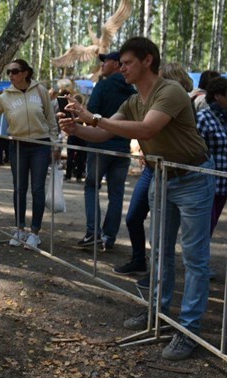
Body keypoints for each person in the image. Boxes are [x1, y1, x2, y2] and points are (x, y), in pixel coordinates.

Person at [59, 37, 215, 361]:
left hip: (193, 179)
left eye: (127, 62)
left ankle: (189, 330)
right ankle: (157, 315)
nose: (121, 67)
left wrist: (92, 117)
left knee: (196, 259)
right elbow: (104, 133)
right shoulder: (133, 99)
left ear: (147, 60)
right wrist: (76, 129)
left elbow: (145, 130)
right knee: (159, 254)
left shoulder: (169, 91)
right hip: (162, 178)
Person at [115, 62, 194, 278]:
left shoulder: (181, 101)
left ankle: (157, 277)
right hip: (153, 168)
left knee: (166, 234)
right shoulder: (143, 101)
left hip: (179, 172)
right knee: (134, 217)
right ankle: (140, 261)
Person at [0, 59, 60, 249]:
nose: (10, 75)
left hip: (40, 145)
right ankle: (19, 229)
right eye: (8, 72)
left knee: (37, 189)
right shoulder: (5, 96)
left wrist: (54, 143)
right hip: (18, 145)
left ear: (25, 73)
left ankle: (35, 233)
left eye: (14, 71)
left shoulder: (41, 91)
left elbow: (51, 120)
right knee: (19, 188)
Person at [78, 51, 136, 250]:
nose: (102, 64)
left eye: (106, 60)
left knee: (92, 187)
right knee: (116, 194)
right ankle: (108, 237)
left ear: (117, 64)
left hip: (100, 145)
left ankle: (93, 233)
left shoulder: (102, 85)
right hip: (122, 146)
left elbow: (91, 114)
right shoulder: (132, 89)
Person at [196, 76, 227, 234]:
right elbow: (196, 149)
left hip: (224, 182)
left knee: (211, 224)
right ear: (218, 95)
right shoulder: (204, 117)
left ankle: (201, 256)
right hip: (207, 181)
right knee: (204, 224)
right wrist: (226, 139)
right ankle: (197, 257)